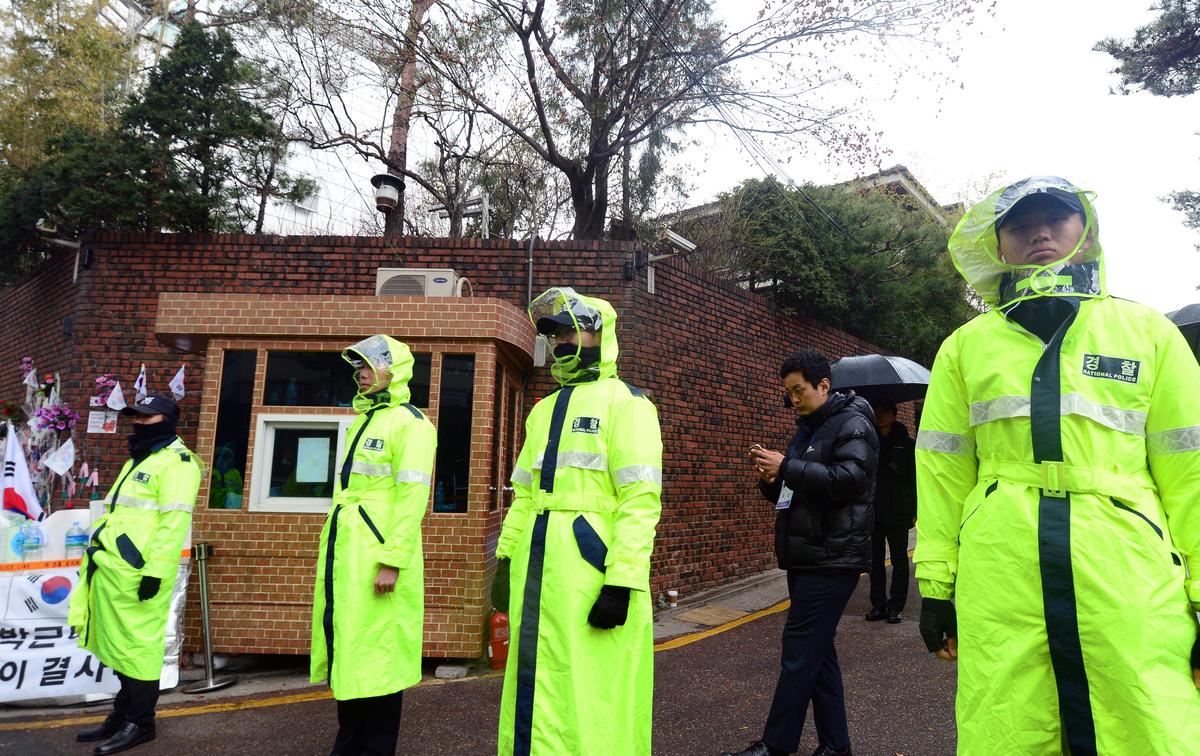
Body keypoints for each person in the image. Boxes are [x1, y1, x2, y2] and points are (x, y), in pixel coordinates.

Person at [915, 176, 1200, 754]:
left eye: (1056, 219)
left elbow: (1189, 470)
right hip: (1001, 571)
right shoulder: (965, 347)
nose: (1039, 233)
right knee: (1007, 722)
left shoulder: (1148, 333)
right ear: (998, 244)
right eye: (1020, 225)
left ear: (1086, 233)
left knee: (1145, 719)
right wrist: (936, 585)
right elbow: (943, 474)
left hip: (1126, 568)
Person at [492, 287, 662, 755]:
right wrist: (506, 558)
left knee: (592, 692)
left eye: (570, 330)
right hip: (538, 569)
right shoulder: (543, 410)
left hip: (589, 574)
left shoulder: (628, 405)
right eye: (554, 333)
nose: (561, 340)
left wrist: (622, 581)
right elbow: (525, 495)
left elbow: (640, 500)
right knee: (536, 679)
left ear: (598, 332)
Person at [724, 350, 878, 756]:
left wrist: (787, 467)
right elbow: (795, 490)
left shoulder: (855, 424)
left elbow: (850, 480)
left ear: (824, 385)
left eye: (799, 390)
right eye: (788, 393)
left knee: (799, 649)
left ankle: (776, 745)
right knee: (817, 652)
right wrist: (772, 478)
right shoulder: (808, 431)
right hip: (808, 554)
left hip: (834, 556)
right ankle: (836, 746)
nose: (793, 399)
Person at [310, 335, 437, 756]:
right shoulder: (366, 420)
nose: (361, 373)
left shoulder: (412, 424)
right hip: (351, 554)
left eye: (368, 365)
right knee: (351, 650)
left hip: (376, 556)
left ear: (393, 369)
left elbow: (412, 497)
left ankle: (371, 749)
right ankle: (347, 746)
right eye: (359, 366)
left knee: (379, 660)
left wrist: (392, 560)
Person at [68, 394, 202, 755]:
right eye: (136, 417)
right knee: (117, 644)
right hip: (115, 567)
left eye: (147, 417)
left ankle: (140, 723)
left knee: (139, 649)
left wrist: (155, 573)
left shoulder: (178, 463)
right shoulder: (143, 456)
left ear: (169, 419)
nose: (139, 423)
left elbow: (174, 523)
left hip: (140, 572)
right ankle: (121, 714)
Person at [864, 401, 915, 623]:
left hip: (898, 511)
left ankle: (896, 606)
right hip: (874, 511)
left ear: (894, 415)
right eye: (877, 412)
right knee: (874, 561)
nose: (879, 416)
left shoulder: (907, 444)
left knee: (899, 560)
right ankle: (878, 604)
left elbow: (916, 479)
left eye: (884, 412)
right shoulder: (869, 443)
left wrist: (915, 508)